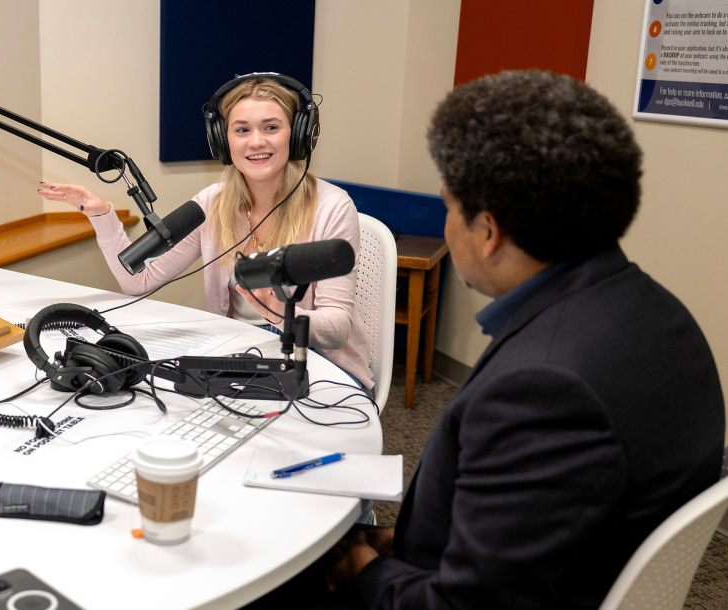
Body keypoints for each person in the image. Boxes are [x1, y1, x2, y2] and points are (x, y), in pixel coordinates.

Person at [248, 70, 726, 610]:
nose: (448, 225)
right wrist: (402, 548)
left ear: (489, 231)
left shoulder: (544, 387)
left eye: (449, 206)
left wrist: (364, 572)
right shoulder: (659, 314)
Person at [38, 74, 374, 392]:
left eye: (271, 127)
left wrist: (281, 314)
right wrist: (102, 215)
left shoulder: (332, 207)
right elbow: (137, 282)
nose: (256, 141)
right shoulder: (212, 204)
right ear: (222, 141)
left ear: (299, 134)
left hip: (316, 359)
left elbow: (337, 326)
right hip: (239, 350)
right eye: (241, 129)